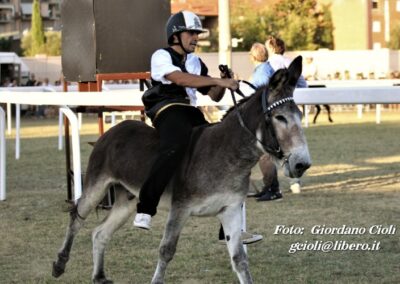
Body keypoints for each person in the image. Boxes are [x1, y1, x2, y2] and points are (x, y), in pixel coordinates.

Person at [133, 11, 239, 230]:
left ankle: (229, 227)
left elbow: (214, 95)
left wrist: (224, 82)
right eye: (191, 33)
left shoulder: (195, 61)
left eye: (197, 33)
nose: (196, 38)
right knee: (174, 145)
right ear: (175, 35)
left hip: (191, 112)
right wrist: (217, 80)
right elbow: (179, 78)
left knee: (220, 148)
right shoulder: (160, 56)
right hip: (167, 109)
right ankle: (145, 208)